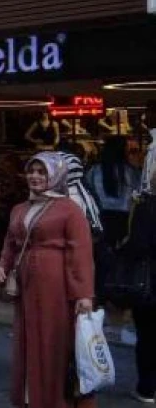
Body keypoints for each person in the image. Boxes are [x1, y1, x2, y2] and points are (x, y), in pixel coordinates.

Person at [0, 152, 94, 408]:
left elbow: (80, 252)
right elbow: (10, 243)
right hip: (26, 285)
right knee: (28, 337)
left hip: (56, 286)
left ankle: (54, 400)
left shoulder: (70, 209)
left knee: (52, 340)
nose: (35, 177)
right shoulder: (20, 208)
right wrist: (1, 266)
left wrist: (83, 294)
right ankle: (30, 397)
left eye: (42, 172)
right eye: (32, 171)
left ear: (56, 175)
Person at [123, 167, 156, 403]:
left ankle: (147, 387)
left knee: (147, 336)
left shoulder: (146, 207)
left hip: (149, 281)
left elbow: (138, 245)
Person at [88, 135, 141, 249]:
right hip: (125, 217)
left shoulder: (94, 170)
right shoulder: (131, 172)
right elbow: (138, 193)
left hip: (101, 216)